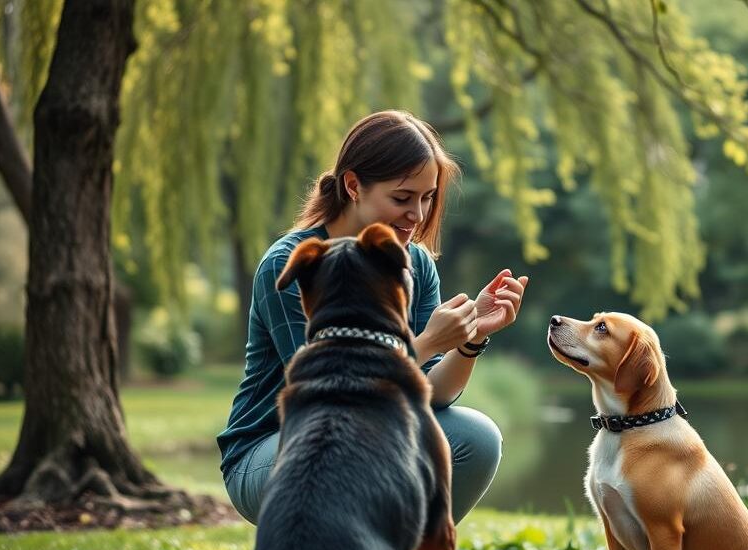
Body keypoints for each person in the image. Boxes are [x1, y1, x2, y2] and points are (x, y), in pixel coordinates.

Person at [218, 110, 529, 525]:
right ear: (353, 186)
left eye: (428, 197)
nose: (417, 215)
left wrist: (470, 340)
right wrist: (427, 343)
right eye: (402, 198)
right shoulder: (293, 263)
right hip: (273, 450)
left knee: (476, 438)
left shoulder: (415, 263)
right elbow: (327, 393)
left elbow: (431, 393)